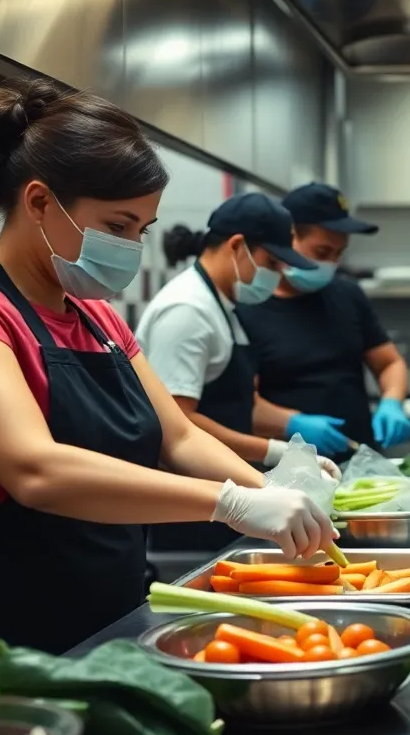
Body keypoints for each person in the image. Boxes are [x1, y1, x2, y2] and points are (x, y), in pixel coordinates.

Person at [0, 78, 337, 661]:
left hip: (115, 621)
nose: (131, 246)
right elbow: (38, 470)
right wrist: (230, 503)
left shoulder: (98, 316)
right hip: (9, 645)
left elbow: (179, 435)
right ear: (38, 203)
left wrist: (278, 493)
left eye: (141, 230)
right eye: (117, 226)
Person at [135, 194, 340, 552]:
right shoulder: (187, 311)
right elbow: (179, 424)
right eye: (272, 263)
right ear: (236, 246)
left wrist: (293, 442)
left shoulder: (223, 306)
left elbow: (239, 401)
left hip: (227, 496)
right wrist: (273, 454)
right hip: (196, 509)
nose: (276, 276)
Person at [237, 182, 410, 461]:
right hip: (286, 471)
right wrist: (291, 424)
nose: (330, 263)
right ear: (288, 238)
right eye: (322, 252)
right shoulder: (247, 306)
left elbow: (389, 362)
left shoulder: (348, 295)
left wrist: (392, 401)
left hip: (360, 464)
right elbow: (240, 404)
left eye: (338, 253)